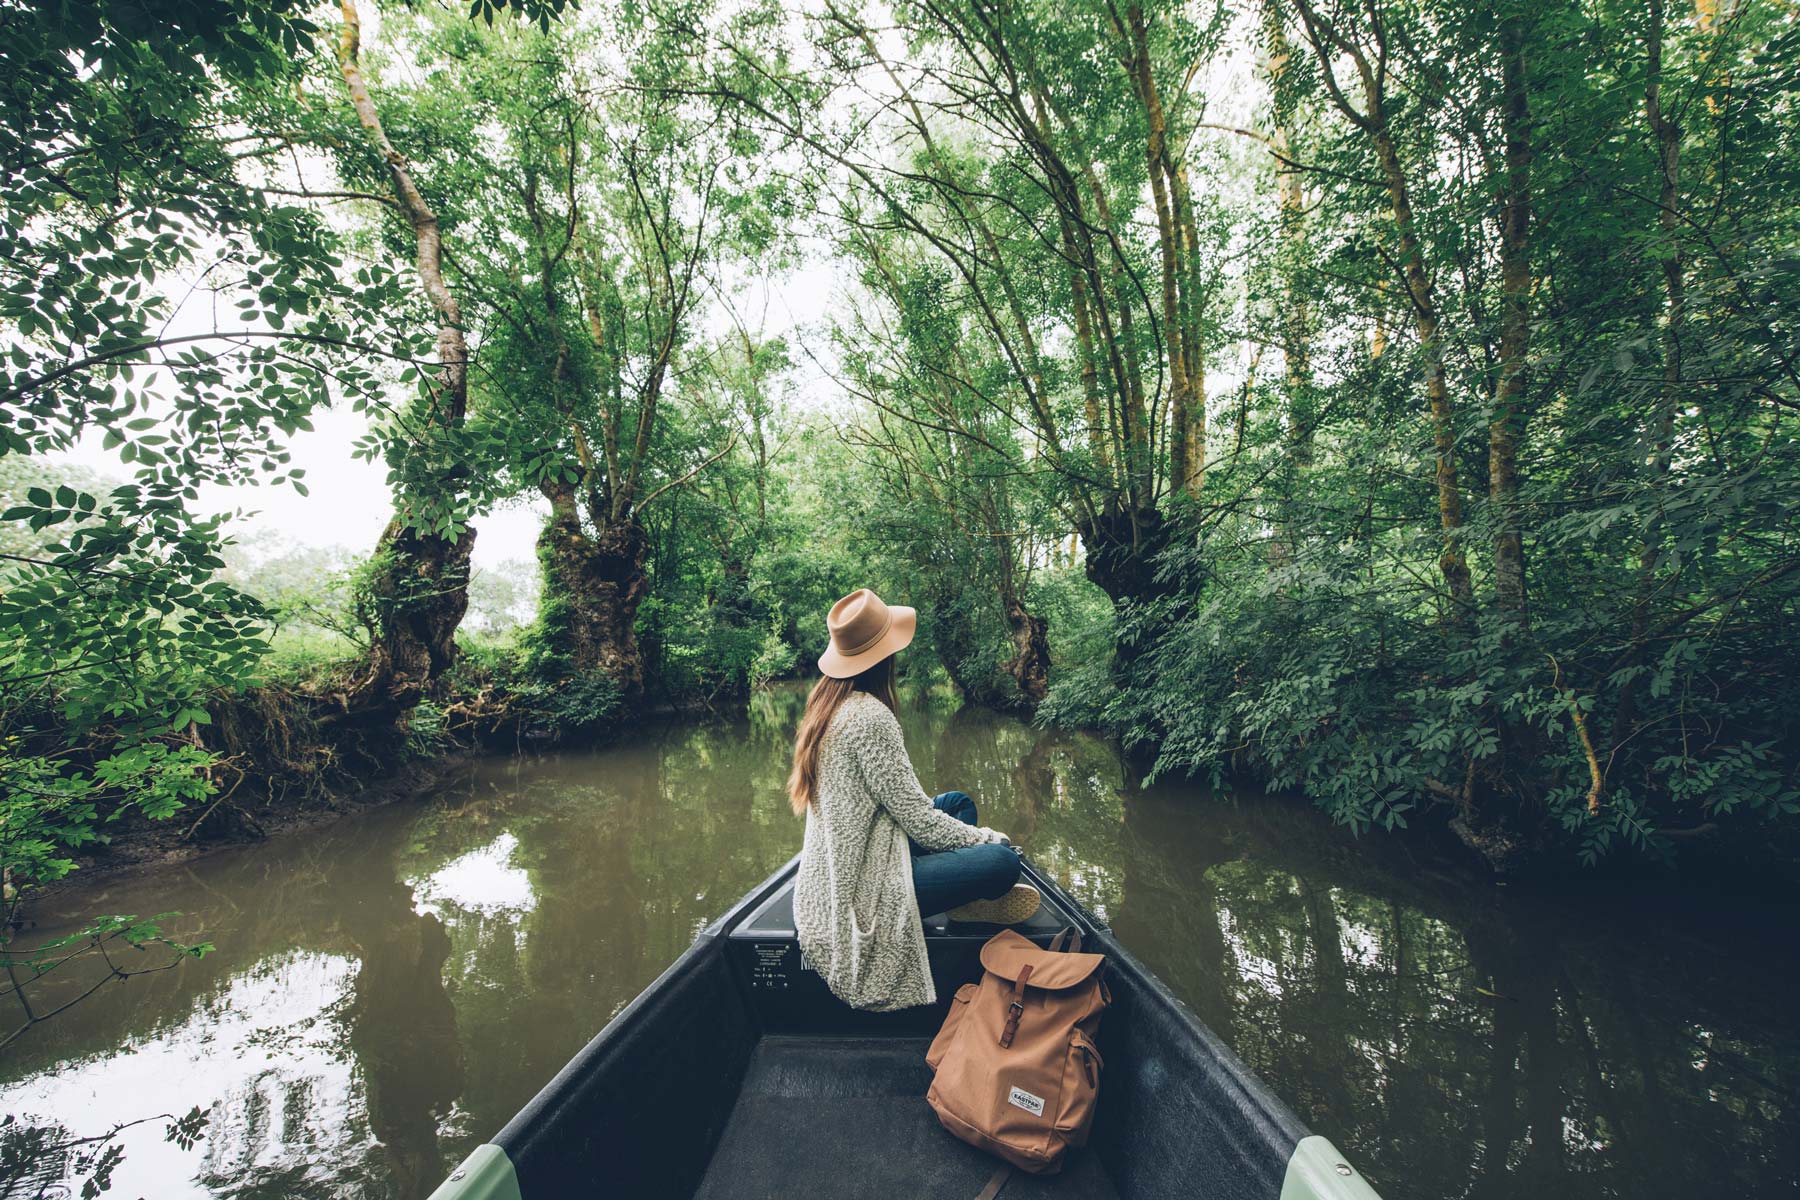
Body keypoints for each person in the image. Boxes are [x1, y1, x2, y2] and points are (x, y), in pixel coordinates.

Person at [789, 587, 1041, 1012]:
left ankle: (964, 899)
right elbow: (920, 822)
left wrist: (966, 833)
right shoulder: (869, 716)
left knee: (957, 802)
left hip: (859, 856)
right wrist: (987, 840)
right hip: (863, 889)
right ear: (884, 656)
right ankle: (970, 895)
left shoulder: (826, 704)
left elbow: (905, 808)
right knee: (1003, 863)